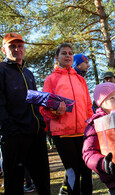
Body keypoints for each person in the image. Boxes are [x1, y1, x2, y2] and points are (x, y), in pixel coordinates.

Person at [40, 43, 93, 195]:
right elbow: (43, 108)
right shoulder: (51, 79)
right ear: (57, 57)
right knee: (73, 173)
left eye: (70, 53)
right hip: (63, 135)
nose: (68, 55)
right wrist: (56, 111)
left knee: (87, 173)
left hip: (83, 133)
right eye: (64, 53)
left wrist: (91, 127)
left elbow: (88, 106)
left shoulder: (81, 80)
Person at [0, 32, 50, 194]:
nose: (17, 49)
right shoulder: (1, 70)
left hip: (36, 134)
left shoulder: (28, 73)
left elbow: (34, 100)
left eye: (20, 46)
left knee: (43, 181)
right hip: (15, 136)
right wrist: (11, 130)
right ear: (3, 50)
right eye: (12, 46)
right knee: (14, 184)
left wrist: (42, 122)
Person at [59, 53, 92, 195]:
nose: (88, 65)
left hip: (83, 128)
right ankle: (65, 189)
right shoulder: (64, 79)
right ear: (77, 64)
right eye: (85, 62)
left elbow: (87, 104)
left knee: (83, 168)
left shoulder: (81, 80)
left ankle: (64, 189)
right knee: (74, 168)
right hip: (67, 132)